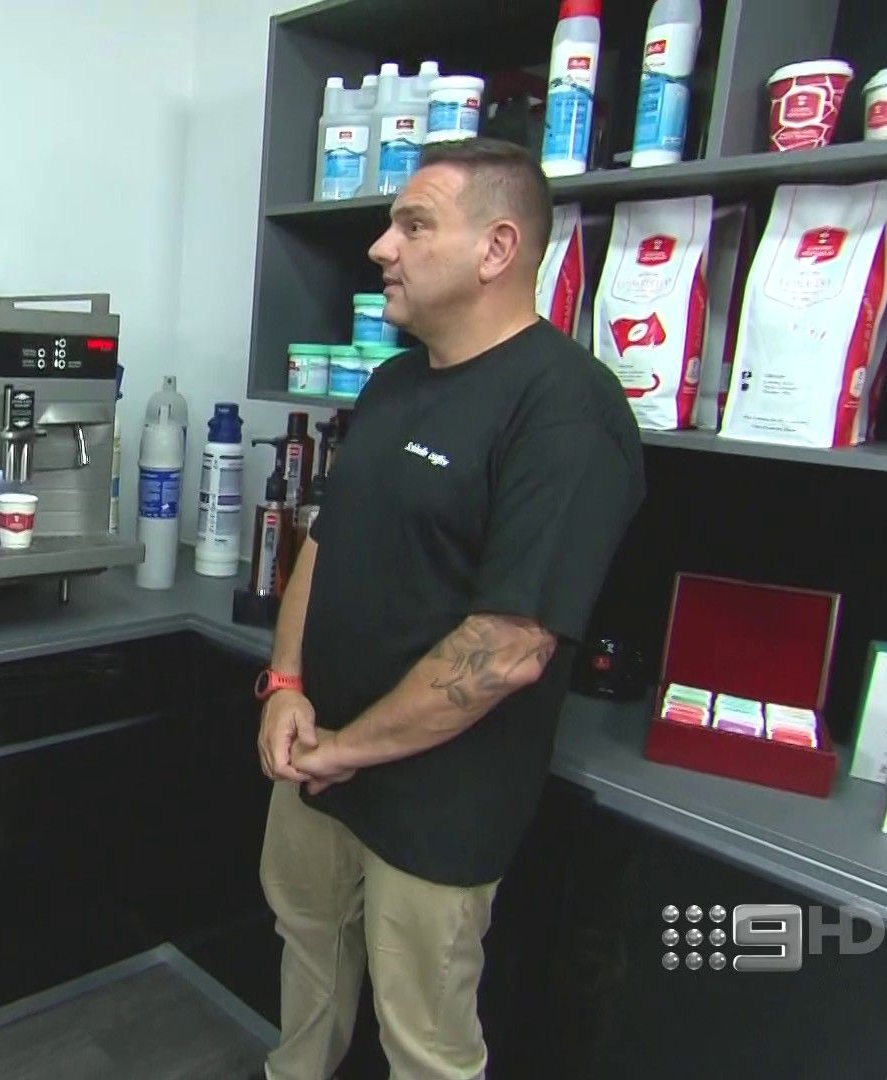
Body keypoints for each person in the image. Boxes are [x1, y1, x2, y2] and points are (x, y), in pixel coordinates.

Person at [252, 138, 645, 1080]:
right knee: (307, 958)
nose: (381, 247)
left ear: (496, 248)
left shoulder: (568, 411)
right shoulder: (395, 381)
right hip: (317, 757)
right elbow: (327, 541)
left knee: (424, 1041)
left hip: (439, 805)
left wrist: (347, 750)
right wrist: (287, 683)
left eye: (413, 225)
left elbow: (507, 648)